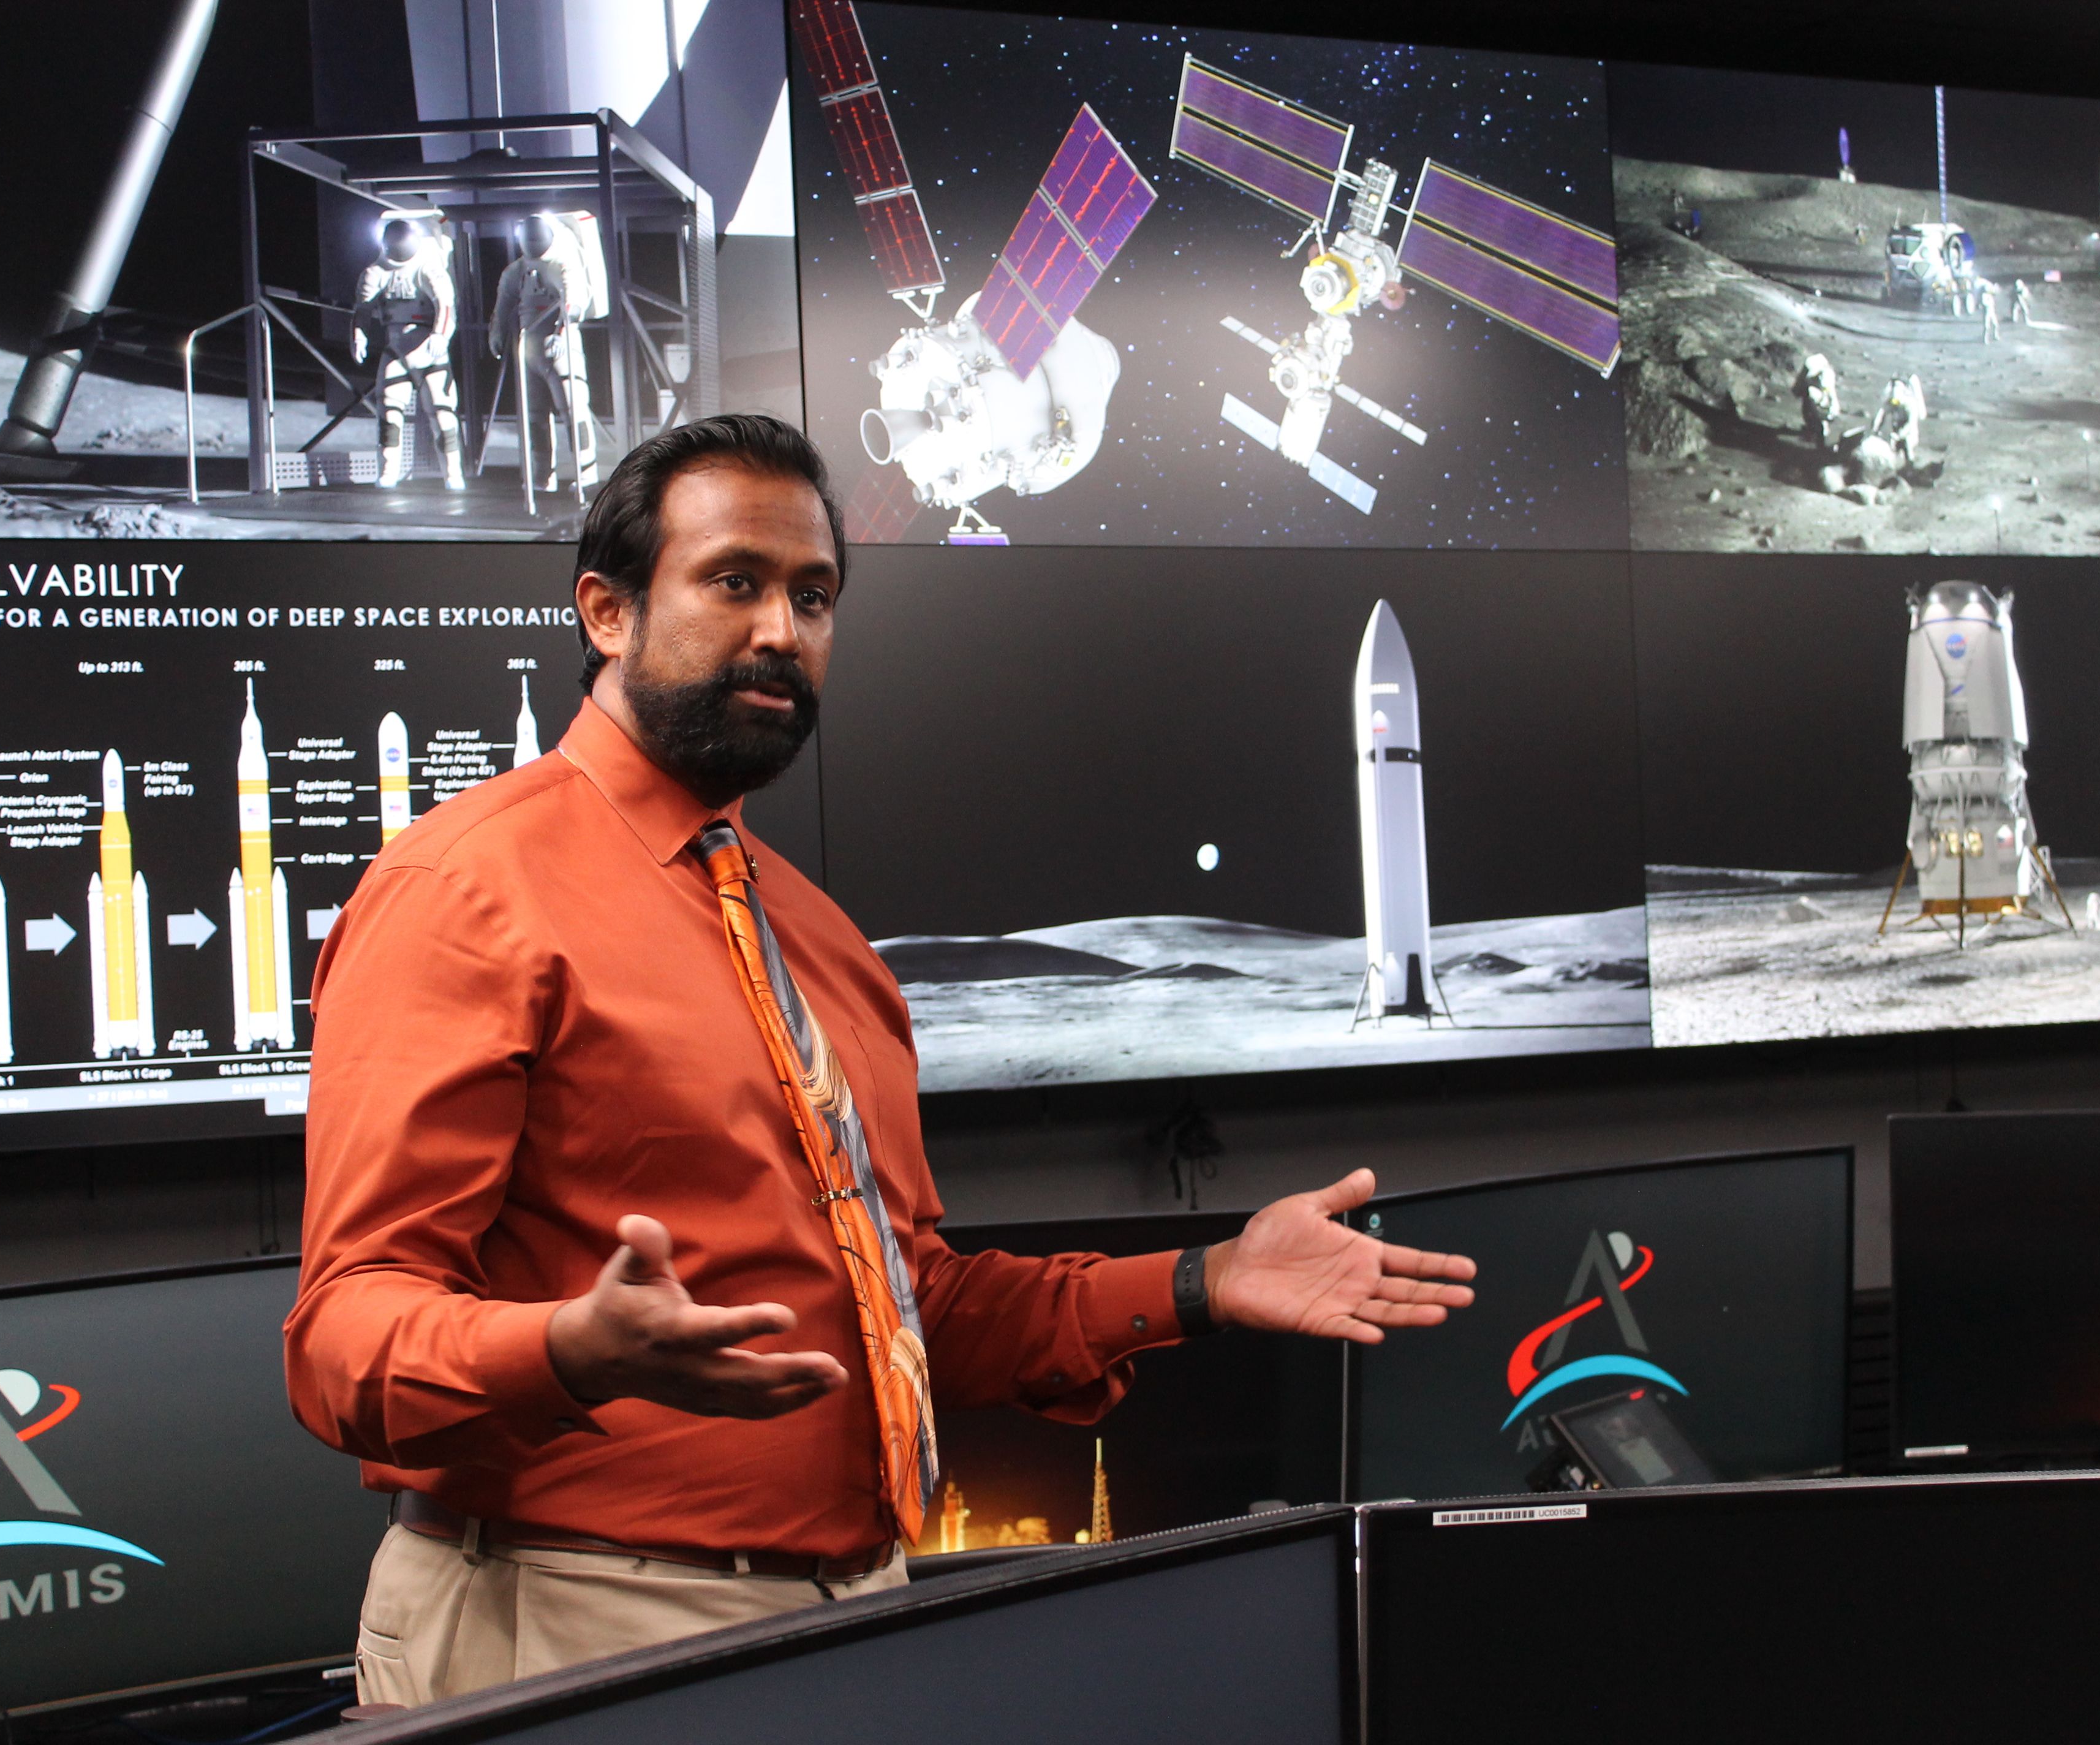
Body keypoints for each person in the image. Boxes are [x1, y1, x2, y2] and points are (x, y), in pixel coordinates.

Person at [287, 414, 1476, 1708]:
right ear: (607, 612)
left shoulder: (824, 943)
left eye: (814, 596)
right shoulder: (460, 891)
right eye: (734, 581)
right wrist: (570, 1347)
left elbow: (917, 1308)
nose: (782, 633)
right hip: (570, 1616)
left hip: (853, 1615)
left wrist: (1204, 1278)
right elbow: (344, 1337)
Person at [353, 218, 466, 492]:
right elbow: (362, 309)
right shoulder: (376, 271)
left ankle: (453, 473)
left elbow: (446, 305)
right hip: (396, 346)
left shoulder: (429, 267)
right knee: (389, 412)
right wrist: (359, 335)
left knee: (443, 414)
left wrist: (440, 335)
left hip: (429, 347)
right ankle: (389, 471)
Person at [492, 214, 597, 495]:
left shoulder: (562, 262)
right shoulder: (516, 270)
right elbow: (503, 304)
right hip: (529, 346)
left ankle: (586, 471)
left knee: (573, 410)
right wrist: (497, 333)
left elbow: (574, 299)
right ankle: (543, 475)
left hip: (560, 346)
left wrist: (562, 331)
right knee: (535, 416)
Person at [1794, 353, 1841, 449]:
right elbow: (1797, 390)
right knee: (1810, 405)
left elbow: (1829, 393)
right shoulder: (1813, 374)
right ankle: (1813, 430)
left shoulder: (1826, 377)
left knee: (1816, 414)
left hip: (1824, 405)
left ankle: (1817, 431)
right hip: (1818, 401)